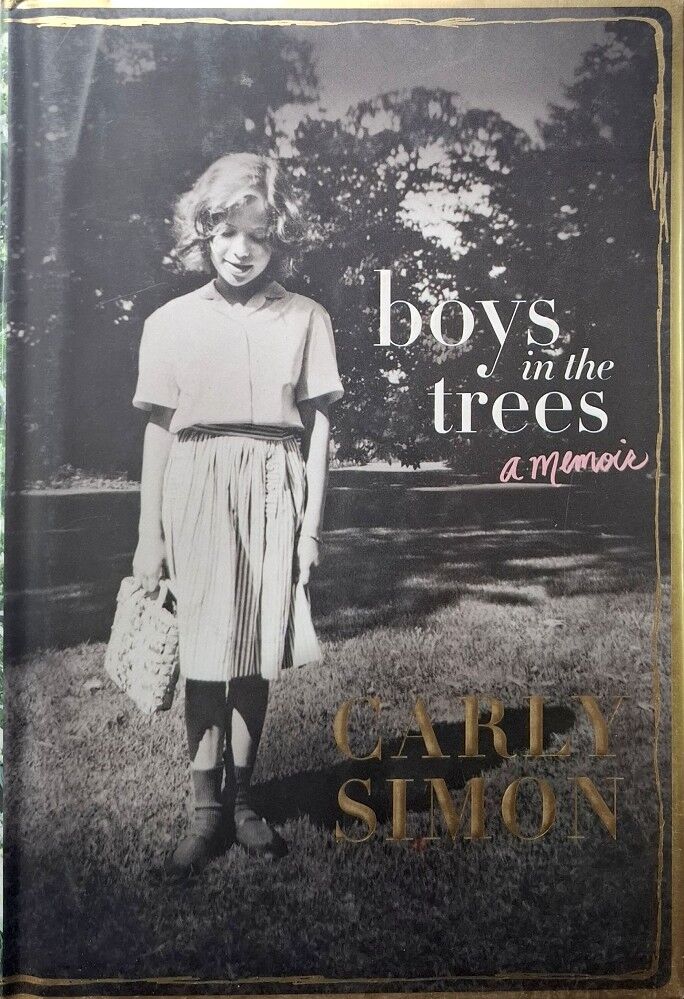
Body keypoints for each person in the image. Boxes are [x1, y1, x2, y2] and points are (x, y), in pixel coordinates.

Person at [131, 152, 344, 879]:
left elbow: (319, 429)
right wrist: (149, 535)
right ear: (204, 232)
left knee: (253, 650)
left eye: (260, 235)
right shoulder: (170, 321)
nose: (242, 249)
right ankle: (205, 812)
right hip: (195, 482)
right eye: (227, 232)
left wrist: (310, 529)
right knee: (202, 652)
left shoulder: (307, 317)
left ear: (280, 241)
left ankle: (245, 799)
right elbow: (160, 428)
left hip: (274, 485)